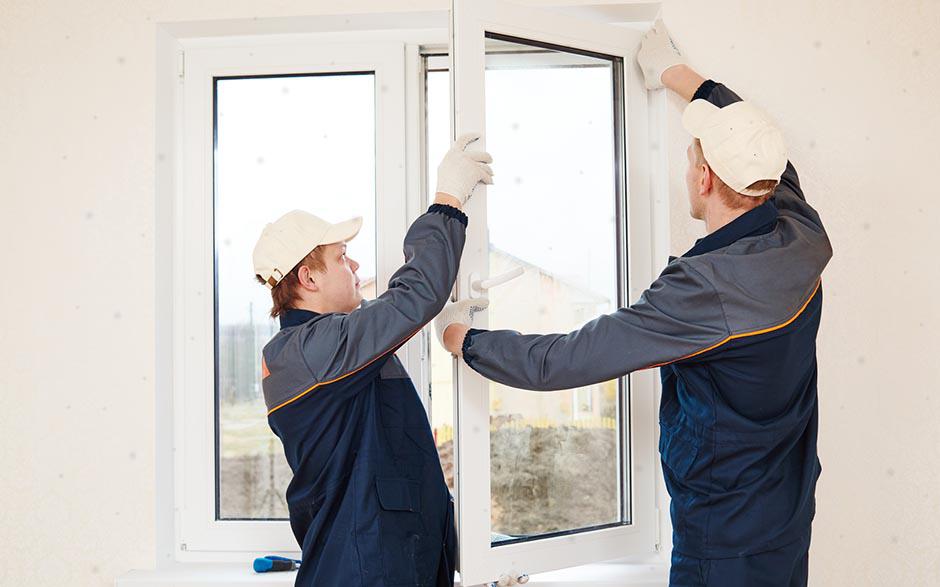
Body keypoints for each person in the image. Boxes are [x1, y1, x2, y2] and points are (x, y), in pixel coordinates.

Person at [435, 21, 832, 587]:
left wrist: (465, 341)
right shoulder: (800, 231)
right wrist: (678, 75)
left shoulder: (705, 291)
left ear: (703, 178)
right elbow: (761, 143)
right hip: (787, 519)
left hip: (723, 544)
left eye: (690, 158)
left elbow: (565, 359)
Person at [253, 133, 493, 586]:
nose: (356, 268)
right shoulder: (311, 350)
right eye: (342, 258)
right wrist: (447, 202)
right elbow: (412, 298)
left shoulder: (319, 350)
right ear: (308, 277)